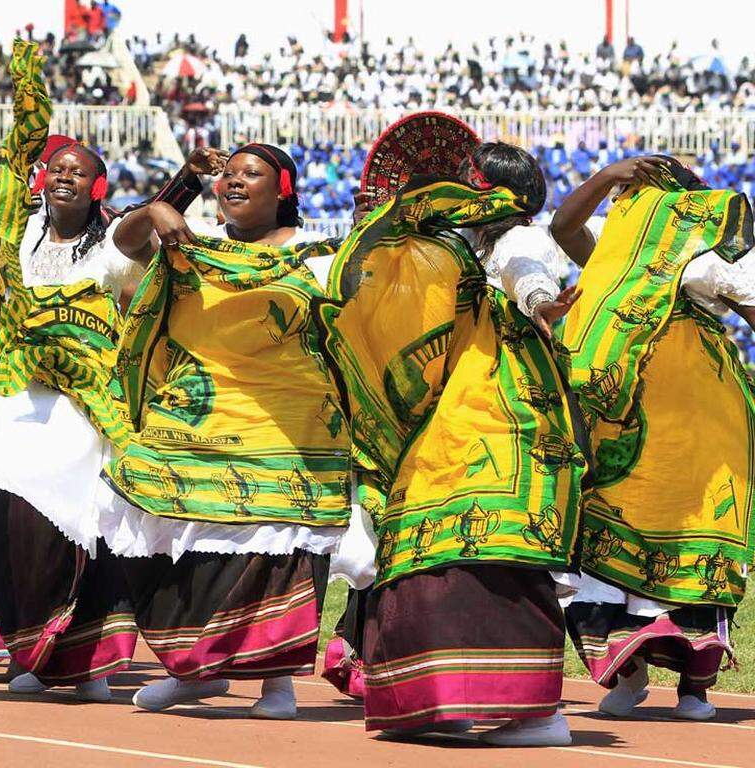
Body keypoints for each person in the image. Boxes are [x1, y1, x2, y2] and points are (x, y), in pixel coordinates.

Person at [0, 39, 218, 701]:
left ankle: (85, 658)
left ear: (96, 188)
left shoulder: (110, 245)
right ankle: (33, 643)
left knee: (71, 532)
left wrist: (172, 198)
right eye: (54, 167)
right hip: (4, 403)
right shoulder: (15, 229)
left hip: (77, 413)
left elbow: (141, 229)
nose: (62, 175)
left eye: (77, 171)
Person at [312, 141, 586, 746]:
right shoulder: (449, 251)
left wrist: (541, 303)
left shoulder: (518, 241)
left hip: (505, 410)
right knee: (425, 553)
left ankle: (534, 713)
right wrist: (377, 232)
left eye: (471, 180)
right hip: (447, 416)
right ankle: (440, 701)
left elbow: (528, 272)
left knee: (493, 555)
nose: (460, 190)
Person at [98, 144, 351, 721]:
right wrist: (163, 205)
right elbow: (127, 243)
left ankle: (275, 684)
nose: (235, 181)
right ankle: (191, 670)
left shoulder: (317, 258)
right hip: (191, 416)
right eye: (230, 173)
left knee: (278, 553)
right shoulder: (195, 244)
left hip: (285, 425)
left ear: (283, 189)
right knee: (159, 529)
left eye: (252, 174)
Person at [551, 155, 755, 722]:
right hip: (621, 424)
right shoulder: (618, 259)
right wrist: (610, 175)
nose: (622, 205)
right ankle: (630, 672)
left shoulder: (707, 251)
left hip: (698, 422)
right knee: (601, 535)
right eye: (623, 196)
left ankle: (695, 690)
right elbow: (564, 227)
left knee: (694, 531)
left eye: (634, 194)